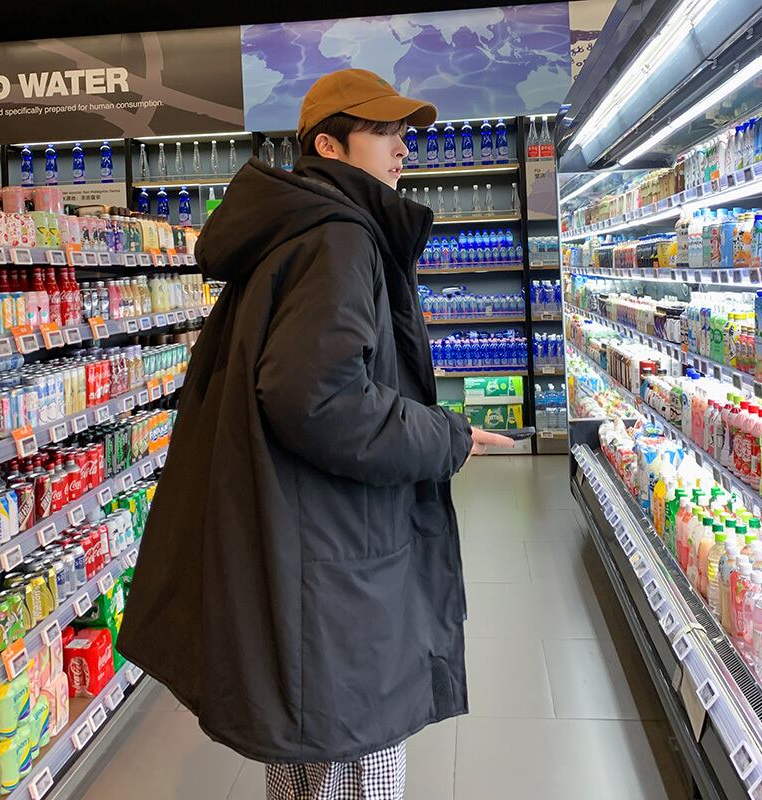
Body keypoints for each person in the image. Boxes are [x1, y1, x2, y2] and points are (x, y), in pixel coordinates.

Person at [117, 68, 512, 799]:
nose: (403, 149)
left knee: (306, 756)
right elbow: (317, 397)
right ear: (329, 145)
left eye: (404, 134)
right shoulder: (339, 239)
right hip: (338, 548)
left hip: (304, 539)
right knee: (358, 742)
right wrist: (445, 437)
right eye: (383, 132)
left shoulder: (295, 230)